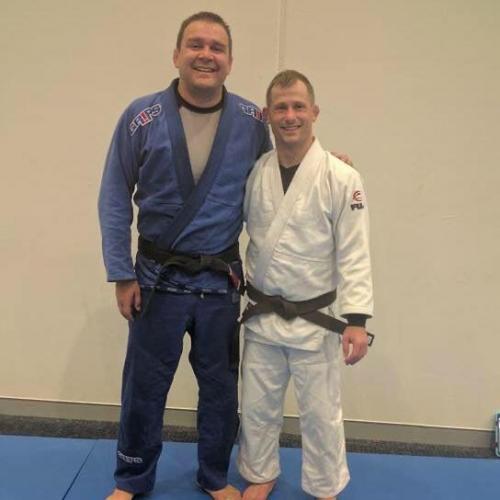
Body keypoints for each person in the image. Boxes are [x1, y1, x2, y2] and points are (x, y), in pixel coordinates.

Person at [98, 11, 271, 500]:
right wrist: (121, 272)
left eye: (217, 47)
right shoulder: (142, 116)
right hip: (156, 278)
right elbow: (114, 194)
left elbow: (281, 175)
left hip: (220, 280)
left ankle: (214, 474)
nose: (205, 55)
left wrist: (329, 168)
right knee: (145, 385)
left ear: (230, 61)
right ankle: (132, 478)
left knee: (220, 387)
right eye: (195, 44)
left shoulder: (252, 122)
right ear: (176, 54)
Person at [236, 70, 374, 500]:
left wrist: (356, 320)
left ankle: (324, 485)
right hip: (263, 315)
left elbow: (354, 251)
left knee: (321, 414)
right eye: (281, 107)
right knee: (256, 408)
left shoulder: (341, 176)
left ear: (314, 111)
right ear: (267, 115)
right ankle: (260, 473)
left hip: (316, 320)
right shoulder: (255, 172)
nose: (290, 115)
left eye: (298, 106)